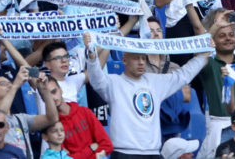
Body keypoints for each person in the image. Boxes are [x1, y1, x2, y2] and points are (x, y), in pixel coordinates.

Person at [84, 30, 210, 159]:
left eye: (143, 58)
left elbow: (183, 75)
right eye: (136, 58)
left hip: (153, 153)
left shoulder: (154, 81)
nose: (141, 62)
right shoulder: (113, 83)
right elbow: (95, 77)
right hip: (125, 153)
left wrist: (205, 54)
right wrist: (92, 54)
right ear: (124, 60)